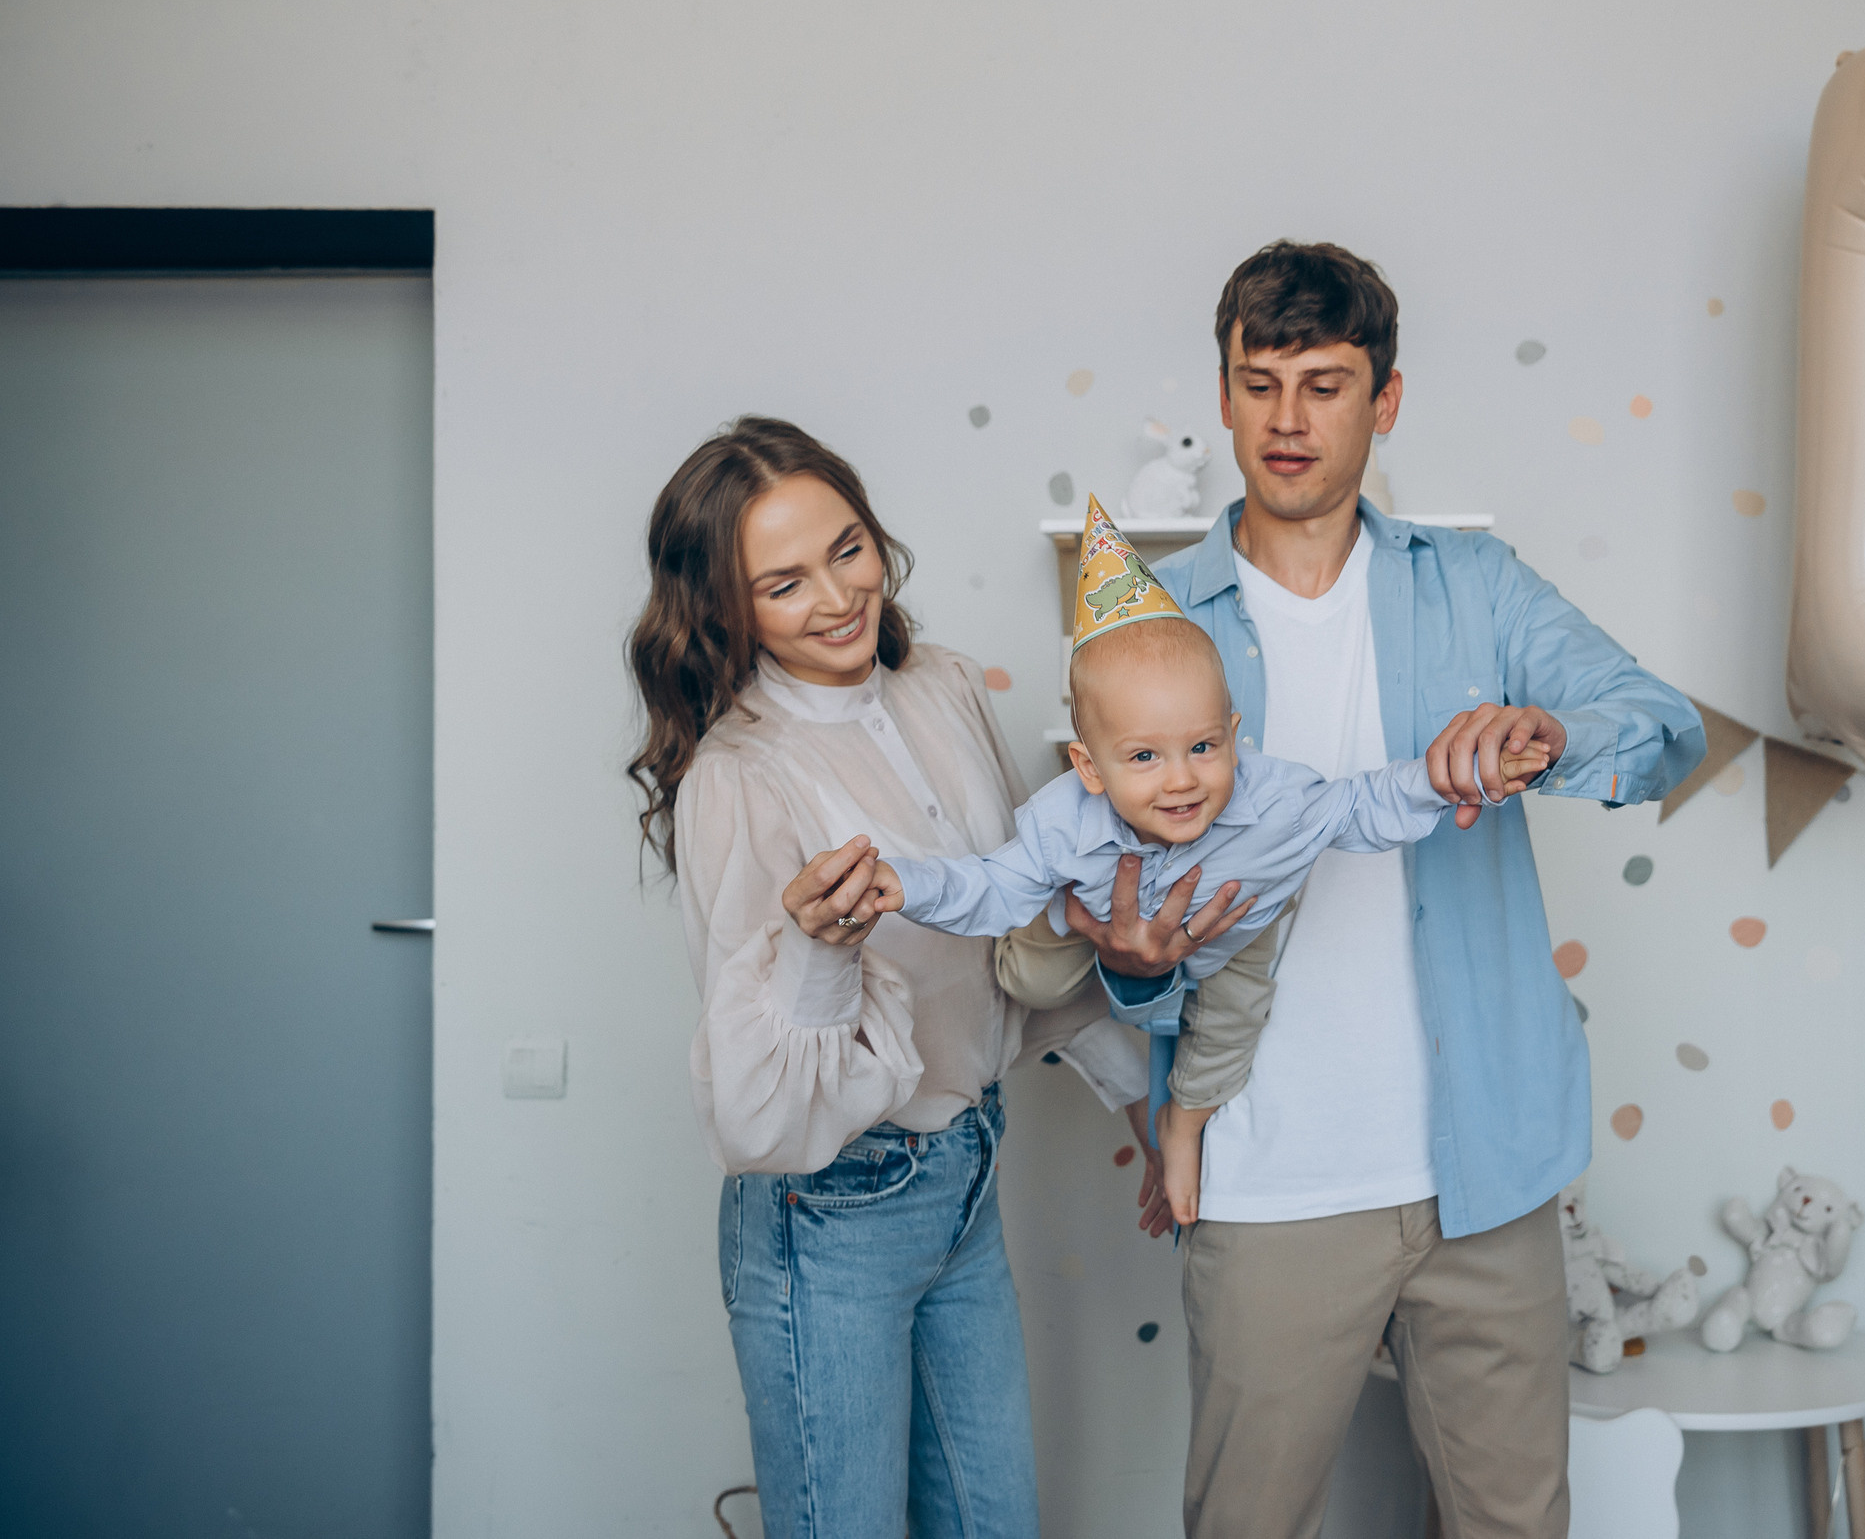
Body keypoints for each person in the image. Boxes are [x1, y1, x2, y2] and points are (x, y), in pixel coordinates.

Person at [1083, 242, 1706, 1538]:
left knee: (1516, 1524)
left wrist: (1544, 728)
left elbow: (1661, 726)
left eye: (1326, 381)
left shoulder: (1473, 586)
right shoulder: (1154, 623)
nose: (1290, 418)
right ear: (1224, 393)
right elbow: (1101, 892)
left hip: (1486, 1169)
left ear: (1389, 396)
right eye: (1261, 382)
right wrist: (1134, 974)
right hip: (1266, 1178)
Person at [624, 417, 1238, 1539]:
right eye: (783, 583)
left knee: (991, 1521)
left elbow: (1027, 944)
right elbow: (756, 1117)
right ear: (724, 607)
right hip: (828, 1209)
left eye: (847, 549)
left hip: (965, 1170)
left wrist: (1149, 1106)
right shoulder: (739, 775)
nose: (836, 597)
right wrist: (820, 954)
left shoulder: (942, 687)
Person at [824, 499, 1551, 1224]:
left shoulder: (1277, 801)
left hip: (1234, 927)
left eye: (1203, 747)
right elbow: (983, 884)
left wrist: (1461, 775)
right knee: (1034, 977)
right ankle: (1062, 936)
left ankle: (1184, 1125)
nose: (1180, 779)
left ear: (1234, 734)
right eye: (1143, 757)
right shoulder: (1065, 823)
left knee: (1234, 1024)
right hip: (1094, 904)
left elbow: (1369, 802)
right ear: (1089, 766)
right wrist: (904, 883)